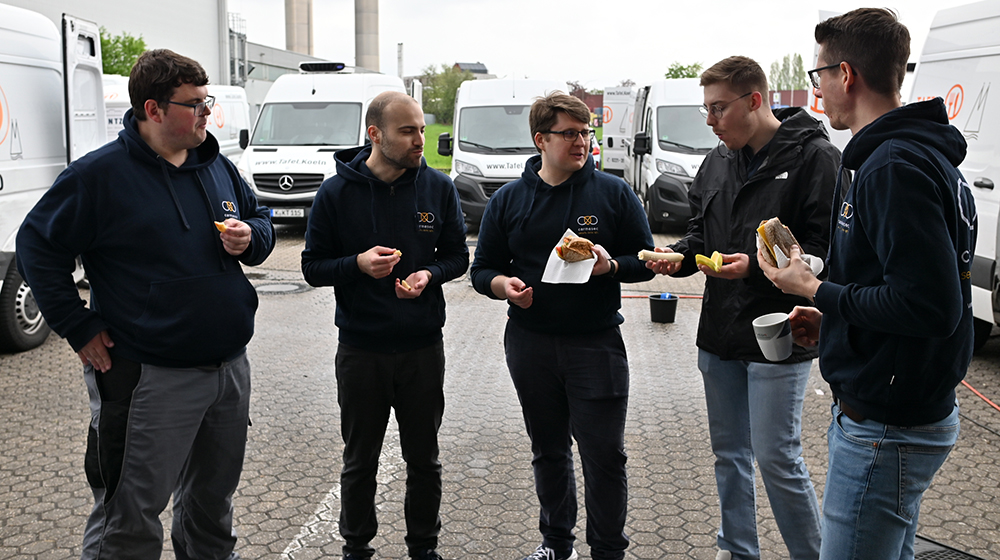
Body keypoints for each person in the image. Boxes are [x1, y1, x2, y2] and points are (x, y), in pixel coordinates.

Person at [16, 49, 274, 559]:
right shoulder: (99, 176)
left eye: (209, 100)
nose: (207, 112)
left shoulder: (217, 165)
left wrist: (254, 238)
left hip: (228, 372)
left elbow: (260, 217)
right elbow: (36, 246)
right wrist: (77, 324)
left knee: (211, 506)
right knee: (129, 516)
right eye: (195, 103)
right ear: (153, 110)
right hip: (149, 378)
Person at [761, 9, 977, 560]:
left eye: (818, 76)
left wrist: (814, 290)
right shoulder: (903, 156)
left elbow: (929, 307)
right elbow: (897, 279)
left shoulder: (891, 167)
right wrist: (835, 315)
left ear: (846, 74)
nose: (817, 91)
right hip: (894, 414)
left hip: (887, 427)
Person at [646, 56, 842, 560]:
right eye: (705, 110)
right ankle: (737, 549)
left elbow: (825, 251)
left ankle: (812, 553)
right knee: (728, 455)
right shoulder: (716, 160)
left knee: (778, 458)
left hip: (779, 331)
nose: (710, 121)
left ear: (754, 101)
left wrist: (754, 269)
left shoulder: (814, 158)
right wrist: (680, 257)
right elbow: (699, 234)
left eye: (718, 109)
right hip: (720, 332)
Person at [470, 92, 654, 560]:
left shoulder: (613, 193)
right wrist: (501, 286)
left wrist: (612, 267)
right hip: (530, 343)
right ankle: (557, 545)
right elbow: (482, 267)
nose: (582, 142)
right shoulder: (509, 200)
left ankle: (608, 551)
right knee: (548, 450)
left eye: (585, 132)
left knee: (604, 456)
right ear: (540, 140)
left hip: (596, 344)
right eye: (569, 133)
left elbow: (647, 261)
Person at [301, 91, 468, 560]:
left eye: (421, 128)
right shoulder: (336, 193)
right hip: (361, 350)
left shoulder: (437, 187)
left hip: (421, 347)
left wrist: (428, 274)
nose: (421, 140)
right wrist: (356, 264)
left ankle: (424, 548)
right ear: (375, 135)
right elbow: (312, 267)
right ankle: (357, 547)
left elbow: (458, 256)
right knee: (359, 462)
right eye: (408, 131)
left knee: (424, 461)